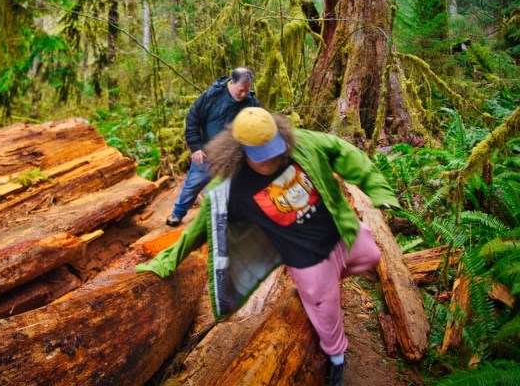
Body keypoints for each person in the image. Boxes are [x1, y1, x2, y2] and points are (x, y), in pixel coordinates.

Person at [137, 107, 400, 386]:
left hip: (338, 229)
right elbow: (198, 230)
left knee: (371, 255)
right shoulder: (231, 188)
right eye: (261, 154)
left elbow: (344, 151)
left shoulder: (302, 143)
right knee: (326, 308)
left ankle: (326, 283)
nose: (271, 159)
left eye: (274, 148)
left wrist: (377, 189)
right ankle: (336, 358)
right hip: (305, 257)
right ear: (241, 151)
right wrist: (165, 260)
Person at [165, 67, 260, 227]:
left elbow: (257, 126)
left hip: (232, 157)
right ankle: (177, 214)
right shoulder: (211, 96)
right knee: (192, 185)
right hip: (206, 154)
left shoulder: (251, 103)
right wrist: (196, 148)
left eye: (247, 90)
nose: (244, 94)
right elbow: (192, 120)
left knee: (225, 191)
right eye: (241, 90)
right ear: (232, 82)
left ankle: (222, 225)